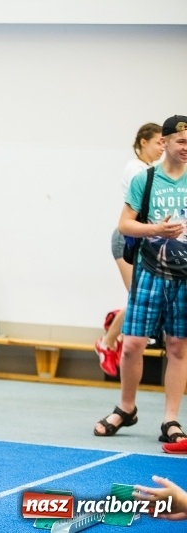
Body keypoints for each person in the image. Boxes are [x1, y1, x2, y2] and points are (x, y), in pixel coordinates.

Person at [94, 115, 187, 446]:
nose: (186, 148)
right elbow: (125, 225)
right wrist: (156, 229)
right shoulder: (145, 180)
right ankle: (126, 407)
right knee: (133, 343)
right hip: (149, 269)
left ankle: (171, 419)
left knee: (177, 346)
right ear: (164, 142)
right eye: (181, 141)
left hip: (184, 275)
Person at [95, 123, 164, 376]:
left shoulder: (153, 169)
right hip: (128, 239)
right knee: (137, 295)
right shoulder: (137, 169)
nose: (162, 148)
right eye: (158, 142)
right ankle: (106, 343)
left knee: (146, 295)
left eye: (164, 143)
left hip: (146, 239)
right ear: (143, 142)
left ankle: (119, 321)